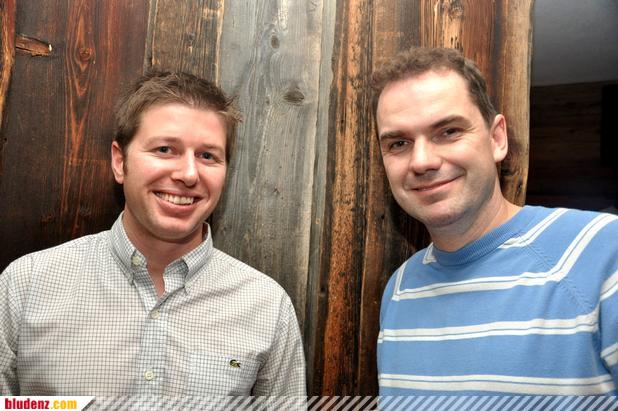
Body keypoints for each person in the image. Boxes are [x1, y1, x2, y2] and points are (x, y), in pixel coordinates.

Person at [0, 71, 306, 396]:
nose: (189, 174)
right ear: (120, 162)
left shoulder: (267, 307)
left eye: (207, 156)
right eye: (164, 149)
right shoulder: (26, 287)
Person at [372, 47, 618, 395]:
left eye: (449, 131)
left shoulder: (603, 254)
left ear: (496, 138)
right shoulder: (400, 289)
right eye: (399, 143)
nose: (422, 161)